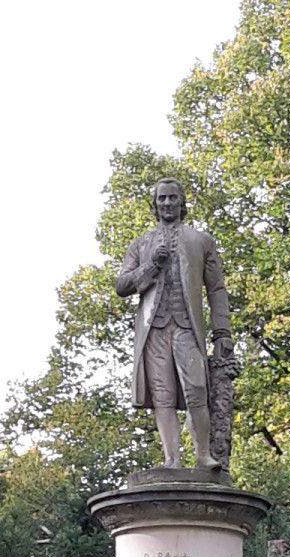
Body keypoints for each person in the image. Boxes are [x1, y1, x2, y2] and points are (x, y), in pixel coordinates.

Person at [115, 177, 233, 470]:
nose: (167, 203)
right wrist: (152, 265)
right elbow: (121, 285)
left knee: (197, 389)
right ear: (155, 205)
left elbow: (216, 289)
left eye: (172, 198)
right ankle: (172, 460)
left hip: (186, 326)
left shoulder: (201, 241)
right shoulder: (141, 244)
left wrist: (222, 333)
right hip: (153, 328)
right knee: (162, 394)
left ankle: (203, 455)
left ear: (182, 203)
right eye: (162, 199)